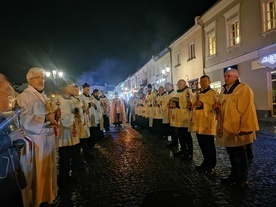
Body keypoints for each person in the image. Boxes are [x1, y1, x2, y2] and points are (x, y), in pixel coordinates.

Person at [16, 67, 57, 207]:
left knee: (47, 170)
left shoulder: (44, 96)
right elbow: (23, 119)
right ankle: (36, 200)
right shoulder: (24, 96)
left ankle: (46, 196)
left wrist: (55, 116)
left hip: (47, 137)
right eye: (38, 77)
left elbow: (49, 114)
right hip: (35, 140)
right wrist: (45, 118)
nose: (42, 80)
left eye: (43, 78)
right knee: (36, 173)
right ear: (29, 80)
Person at [215, 69, 259, 188]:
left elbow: (247, 110)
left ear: (236, 77)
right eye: (225, 76)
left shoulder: (243, 89)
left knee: (240, 153)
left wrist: (246, 127)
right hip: (227, 127)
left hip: (238, 127)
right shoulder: (224, 89)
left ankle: (243, 179)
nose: (226, 78)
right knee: (231, 153)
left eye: (228, 76)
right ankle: (234, 175)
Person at [0, 74, 26, 207]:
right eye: (7, 96)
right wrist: (11, 138)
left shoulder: (1, 116)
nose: (10, 100)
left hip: (11, 176)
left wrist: (17, 141)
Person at [54, 80, 81, 188]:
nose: (72, 88)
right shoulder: (57, 99)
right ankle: (62, 179)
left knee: (71, 155)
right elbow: (52, 114)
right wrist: (56, 114)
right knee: (64, 156)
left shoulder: (73, 99)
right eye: (70, 86)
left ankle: (68, 175)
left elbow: (76, 111)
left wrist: (77, 113)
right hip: (64, 130)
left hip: (72, 129)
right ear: (64, 87)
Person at [189, 75, 217, 174]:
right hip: (198, 122)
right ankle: (205, 162)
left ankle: (211, 165)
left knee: (209, 145)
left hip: (207, 121)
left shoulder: (213, 93)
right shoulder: (197, 93)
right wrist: (192, 105)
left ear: (209, 82)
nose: (203, 83)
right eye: (202, 81)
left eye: (205, 81)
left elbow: (215, 105)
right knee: (202, 144)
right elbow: (193, 105)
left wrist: (203, 105)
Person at [169, 79, 193, 161]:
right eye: (178, 84)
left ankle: (189, 153)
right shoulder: (177, 92)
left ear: (184, 84)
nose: (178, 85)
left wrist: (178, 105)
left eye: (180, 84)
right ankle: (183, 150)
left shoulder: (188, 91)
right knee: (180, 136)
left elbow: (190, 102)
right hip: (178, 117)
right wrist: (172, 105)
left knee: (187, 136)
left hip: (185, 116)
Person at [163, 82, 176, 148]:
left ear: (169, 86)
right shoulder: (168, 94)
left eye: (166, 87)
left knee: (174, 130)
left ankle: (175, 143)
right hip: (168, 112)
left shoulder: (173, 94)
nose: (165, 88)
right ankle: (172, 142)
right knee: (171, 128)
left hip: (173, 113)